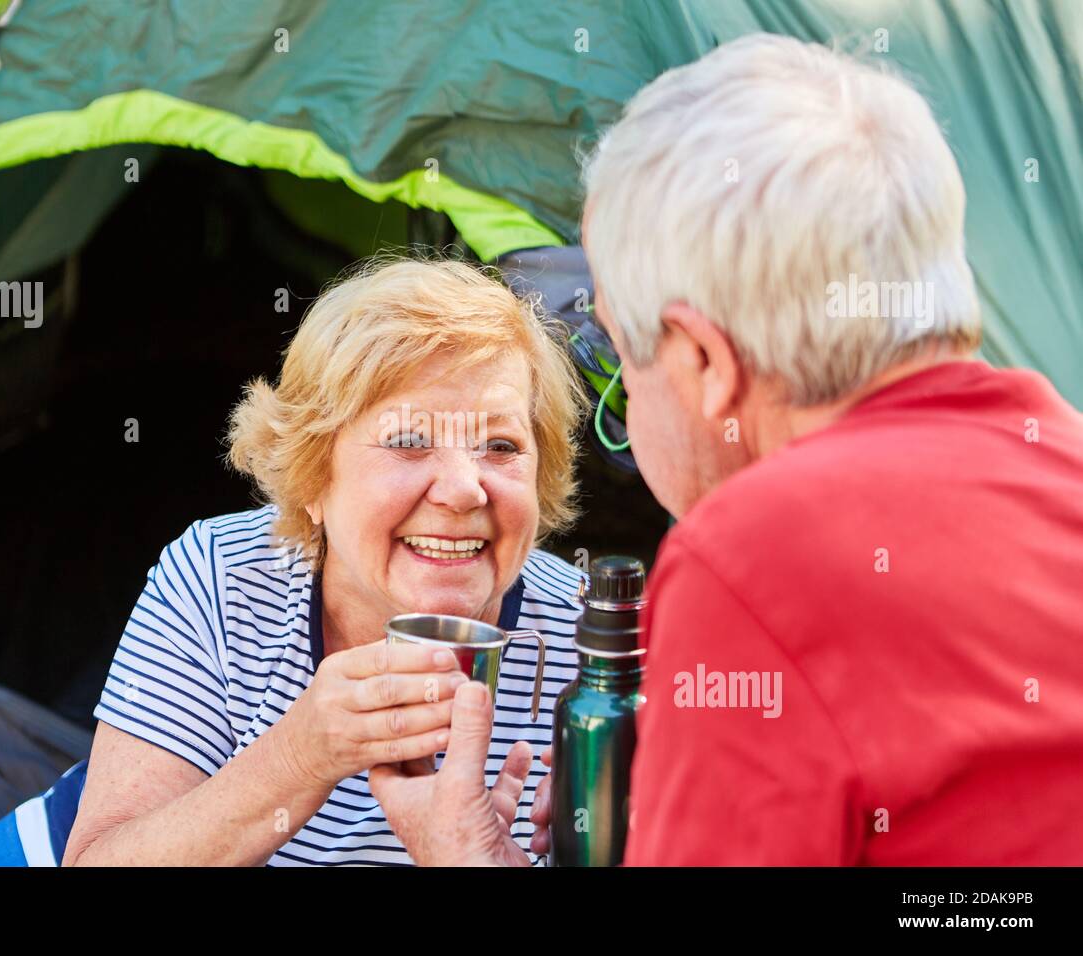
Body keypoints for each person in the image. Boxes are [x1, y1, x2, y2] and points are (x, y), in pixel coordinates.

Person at [371, 34, 1083, 865]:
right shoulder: (1060, 451)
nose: (624, 405)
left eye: (621, 358)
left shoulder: (756, 555)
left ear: (702, 361)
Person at [40, 257, 588, 866]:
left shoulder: (597, 645)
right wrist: (302, 755)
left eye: (501, 445)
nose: (464, 489)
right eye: (407, 441)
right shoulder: (223, 578)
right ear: (313, 479)